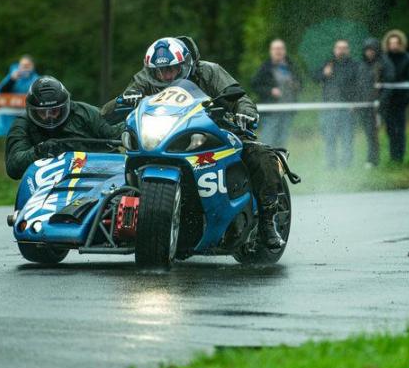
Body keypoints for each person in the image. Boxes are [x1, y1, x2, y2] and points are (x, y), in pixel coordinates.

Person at [101, 36, 286, 248]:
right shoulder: (146, 78)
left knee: (261, 155)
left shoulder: (209, 71)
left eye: (172, 70)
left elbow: (240, 98)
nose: (166, 76)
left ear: (186, 65)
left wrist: (245, 113)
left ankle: (267, 221)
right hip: (161, 139)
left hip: (210, 134)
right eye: (160, 72)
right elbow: (107, 113)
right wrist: (123, 99)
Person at [5, 76, 124, 180]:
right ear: (33, 111)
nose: (49, 117)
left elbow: (114, 132)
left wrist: (134, 125)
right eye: (43, 112)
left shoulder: (85, 113)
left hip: (96, 174)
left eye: (54, 111)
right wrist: (39, 151)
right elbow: (13, 168)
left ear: (64, 107)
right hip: (48, 180)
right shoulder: (22, 124)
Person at [314, 39, 360, 169]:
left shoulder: (354, 65)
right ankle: (330, 165)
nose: (341, 50)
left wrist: (354, 103)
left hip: (347, 109)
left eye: (344, 48)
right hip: (329, 108)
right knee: (330, 138)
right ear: (334, 50)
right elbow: (315, 77)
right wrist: (324, 73)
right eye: (339, 48)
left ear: (348, 50)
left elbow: (359, 86)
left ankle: (346, 165)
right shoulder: (328, 63)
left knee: (347, 138)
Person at [250, 38, 302, 147]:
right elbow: (254, 84)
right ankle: (266, 163)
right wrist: (270, 91)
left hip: (287, 110)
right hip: (271, 112)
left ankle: (280, 163)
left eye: (281, 48)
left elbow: (300, 84)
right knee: (268, 141)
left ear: (284, 50)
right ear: (271, 51)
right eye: (275, 49)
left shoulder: (291, 66)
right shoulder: (265, 67)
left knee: (282, 142)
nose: (278, 51)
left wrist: (295, 85)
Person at [355, 38, 394, 168]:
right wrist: (357, 102)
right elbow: (359, 85)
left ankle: (386, 159)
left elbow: (388, 84)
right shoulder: (362, 65)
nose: (369, 53)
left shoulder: (384, 63)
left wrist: (381, 101)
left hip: (381, 105)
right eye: (367, 50)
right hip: (365, 105)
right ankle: (371, 159)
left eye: (372, 50)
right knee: (369, 133)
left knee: (382, 132)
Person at [381, 29, 409, 163]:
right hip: (388, 100)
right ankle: (392, 157)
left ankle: (399, 158)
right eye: (391, 43)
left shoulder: (408, 58)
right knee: (390, 130)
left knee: (399, 130)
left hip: (400, 100)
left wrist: (405, 98)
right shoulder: (384, 59)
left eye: (396, 43)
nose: (394, 45)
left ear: (401, 43)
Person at [0, 55, 40, 138]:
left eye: (28, 65)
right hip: (9, 119)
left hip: (27, 118)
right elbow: (1, 92)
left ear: (32, 66)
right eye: (23, 65)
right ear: (19, 66)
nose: (25, 67)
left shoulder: (36, 79)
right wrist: (12, 80)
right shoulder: (12, 76)